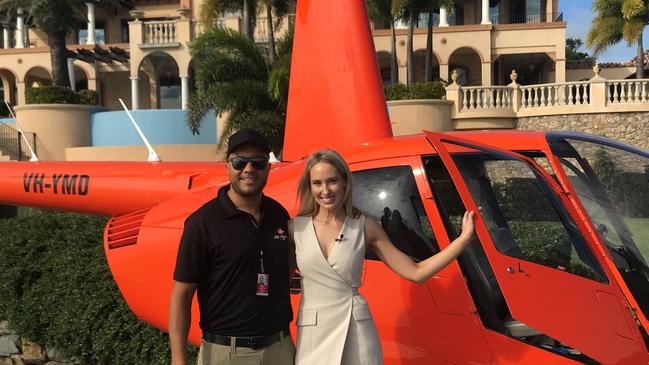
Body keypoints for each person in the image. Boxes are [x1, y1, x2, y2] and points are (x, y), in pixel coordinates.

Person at [288, 149, 475, 365]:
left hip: (356, 330)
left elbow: (416, 272)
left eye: (332, 181)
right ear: (309, 187)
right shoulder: (295, 229)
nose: (325, 190)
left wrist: (463, 240)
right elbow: (277, 279)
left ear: (345, 183)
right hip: (314, 335)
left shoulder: (365, 226)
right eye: (317, 183)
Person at [169, 129, 295, 365]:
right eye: (239, 162)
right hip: (227, 353)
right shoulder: (202, 223)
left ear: (268, 167)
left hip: (280, 349)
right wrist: (178, 359)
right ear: (227, 166)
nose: (249, 170)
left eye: (258, 163)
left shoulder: (279, 214)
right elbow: (181, 296)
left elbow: (287, 268)